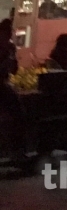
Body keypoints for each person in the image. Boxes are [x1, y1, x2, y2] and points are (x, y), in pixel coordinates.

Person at [0, 19, 28, 161]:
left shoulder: (11, 47)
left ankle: (17, 149)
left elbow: (14, 70)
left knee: (19, 114)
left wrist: (12, 60)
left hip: (4, 83)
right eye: (8, 31)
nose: (10, 35)